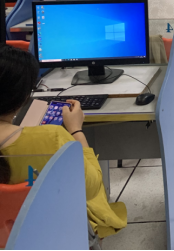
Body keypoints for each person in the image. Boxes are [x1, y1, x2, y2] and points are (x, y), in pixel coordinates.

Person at [0, 46, 127, 238]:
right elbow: (91, 186)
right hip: (54, 232)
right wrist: (76, 130)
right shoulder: (51, 138)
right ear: (23, 96)